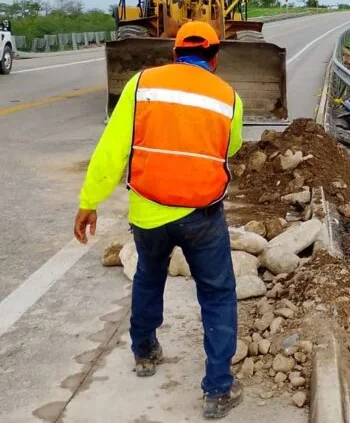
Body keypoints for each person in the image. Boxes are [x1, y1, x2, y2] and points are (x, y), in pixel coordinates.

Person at [73, 21, 244, 420]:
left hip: (148, 211)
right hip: (202, 216)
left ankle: (145, 353)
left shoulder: (141, 84)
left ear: (175, 53)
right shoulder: (229, 98)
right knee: (217, 294)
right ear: (214, 58)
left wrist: (89, 201)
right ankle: (218, 389)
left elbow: (112, 149)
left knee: (149, 278)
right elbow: (231, 146)